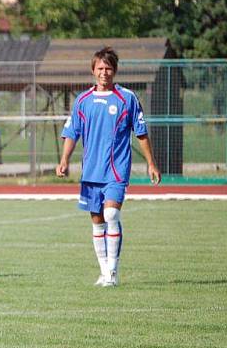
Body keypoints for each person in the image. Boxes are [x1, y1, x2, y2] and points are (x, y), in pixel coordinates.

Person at [56, 46, 161, 287]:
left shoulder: (127, 98)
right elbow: (72, 133)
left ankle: (112, 271)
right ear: (93, 71)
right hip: (91, 171)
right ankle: (103, 272)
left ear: (115, 71)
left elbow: (141, 133)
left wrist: (151, 164)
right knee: (97, 221)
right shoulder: (82, 101)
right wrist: (64, 159)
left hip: (116, 170)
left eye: (109, 68)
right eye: (100, 68)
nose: (104, 72)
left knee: (111, 214)